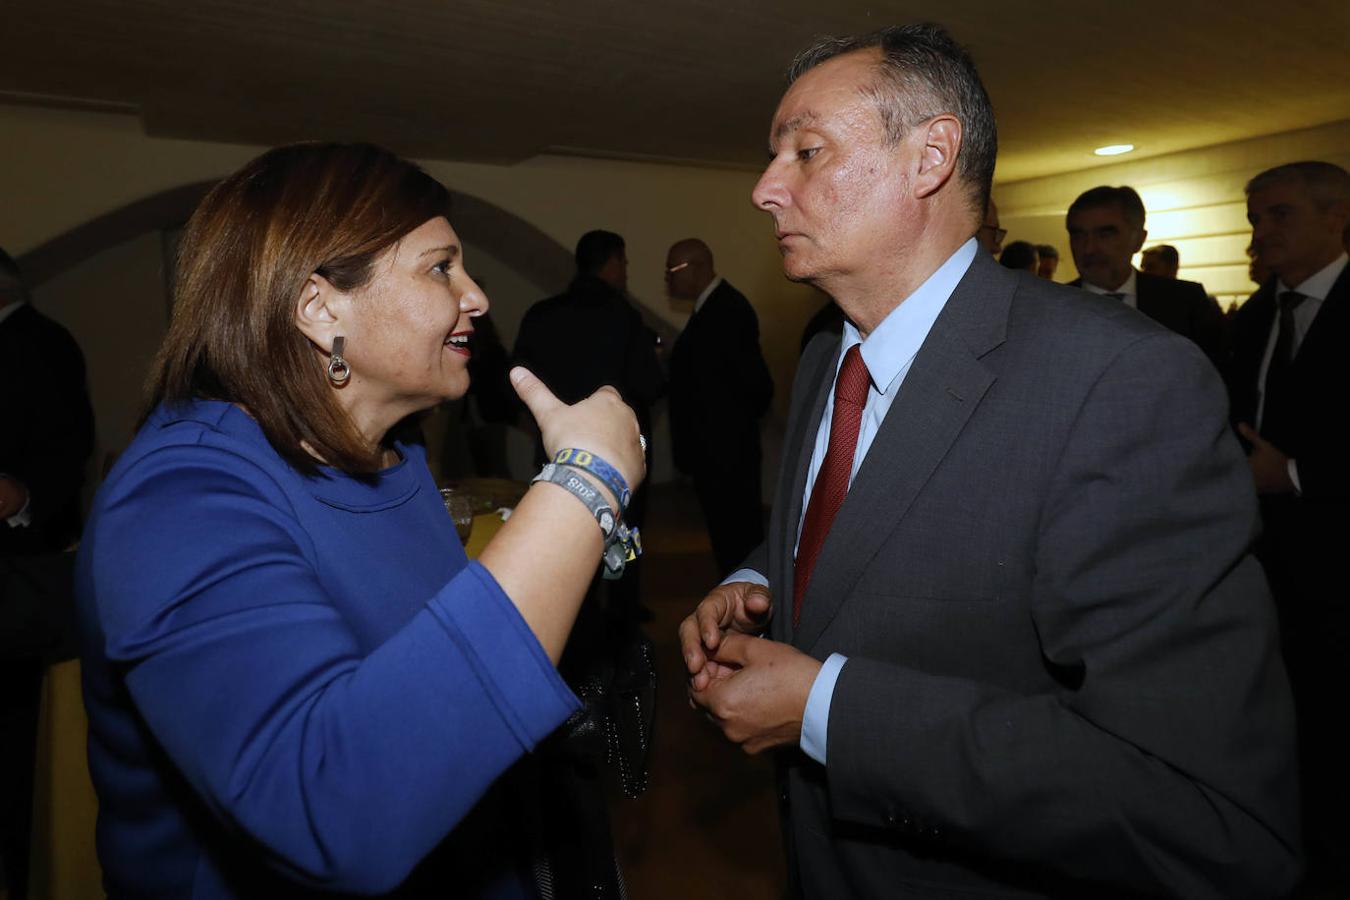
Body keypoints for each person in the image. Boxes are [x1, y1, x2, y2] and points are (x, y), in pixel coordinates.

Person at [680, 24, 1298, 899]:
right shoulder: (829, 352)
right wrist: (755, 581)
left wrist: (826, 711)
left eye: (806, 151)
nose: (764, 189)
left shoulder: (1119, 382)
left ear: (931, 155)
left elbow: (1203, 810)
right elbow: (850, 530)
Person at [75, 142, 646, 899]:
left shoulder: (392, 455)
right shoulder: (180, 497)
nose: (475, 296)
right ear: (318, 308)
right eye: (441, 267)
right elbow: (332, 806)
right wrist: (584, 484)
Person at [1225, 160, 1350, 897]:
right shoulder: (1254, 316)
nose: (1261, 232)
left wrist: (1296, 477)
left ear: (1336, 218)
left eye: (1280, 215)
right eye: (1256, 218)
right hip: (1265, 571)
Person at [0, 247, 95, 900]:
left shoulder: (39, 343)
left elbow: (66, 448)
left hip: (24, 571)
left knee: (18, 749)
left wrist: (21, 498)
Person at [514, 230, 665, 623]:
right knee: (622, 537)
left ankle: (568, 619)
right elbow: (650, 384)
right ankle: (620, 618)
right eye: (625, 263)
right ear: (612, 262)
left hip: (556, 450)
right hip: (614, 456)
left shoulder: (541, 314)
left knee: (556, 538)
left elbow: (518, 379)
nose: (626, 272)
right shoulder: (624, 316)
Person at [665, 238, 774, 575]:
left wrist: (726, 433)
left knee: (738, 544)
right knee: (729, 543)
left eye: (671, 271)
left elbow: (755, 385)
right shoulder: (712, 309)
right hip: (718, 452)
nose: (667, 279)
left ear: (696, 267)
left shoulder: (727, 310)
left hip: (726, 454)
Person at [1066, 185, 1225, 364]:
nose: (1089, 249)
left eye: (1105, 234)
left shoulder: (1184, 301)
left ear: (1139, 240)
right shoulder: (1052, 307)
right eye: (1078, 236)